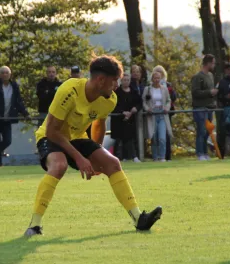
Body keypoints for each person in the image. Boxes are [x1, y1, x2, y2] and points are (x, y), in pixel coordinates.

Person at [24, 55, 162, 237]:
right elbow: (52, 131)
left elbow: (98, 124)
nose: (116, 86)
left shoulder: (110, 99)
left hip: (76, 137)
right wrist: (80, 158)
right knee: (59, 165)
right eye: (114, 81)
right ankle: (34, 225)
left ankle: (139, 219)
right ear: (101, 80)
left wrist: (96, 153)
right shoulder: (69, 90)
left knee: (112, 163)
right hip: (51, 136)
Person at [0, 66, 29, 166]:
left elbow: (18, 101)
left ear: (10, 74)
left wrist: (25, 113)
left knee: (7, 141)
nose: (5, 75)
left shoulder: (14, 86)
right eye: (3, 73)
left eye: (7, 73)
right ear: (0, 75)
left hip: (7, 118)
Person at [191, 55, 217, 161]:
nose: (214, 65)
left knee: (207, 131)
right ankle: (200, 153)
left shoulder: (210, 76)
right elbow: (195, 92)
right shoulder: (198, 77)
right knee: (201, 130)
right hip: (200, 108)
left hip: (209, 107)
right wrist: (209, 92)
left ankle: (205, 152)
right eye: (213, 63)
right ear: (208, 63)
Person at [111, 73, 142, 163]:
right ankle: (119, 158)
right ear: (121, 81)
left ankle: (133, 156)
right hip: (119, 120)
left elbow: (139, 102)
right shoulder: (117, 93)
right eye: (124, 80)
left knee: (130, 138)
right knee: (119, 140)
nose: (126, 82)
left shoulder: (134, 92)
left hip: (131, 120)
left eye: (128, 80)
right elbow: (114, 105)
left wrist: (135, 108)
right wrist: (123, 112)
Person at [143, 71, 173, 162]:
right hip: (152, 114)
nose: (157, 80)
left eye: (158, 78)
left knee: (162, 138)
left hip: (162, 114)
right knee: (154, 137)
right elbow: (144, 101)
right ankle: (155, 157)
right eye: (155, 78)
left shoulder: (164, 89)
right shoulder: (147, 89)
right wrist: (147, 109)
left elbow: (168, 100)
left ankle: (162, 157)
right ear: (152, 79)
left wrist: (167, 108)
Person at [153, 65, 177, 161]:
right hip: (154, 113)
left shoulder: (168, 85)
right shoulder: (150, 87)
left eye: (161, 72)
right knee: (155, 136)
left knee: (165, 135)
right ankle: (156, 156)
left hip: (166, 113)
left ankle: (166, 156)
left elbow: (173, 97)